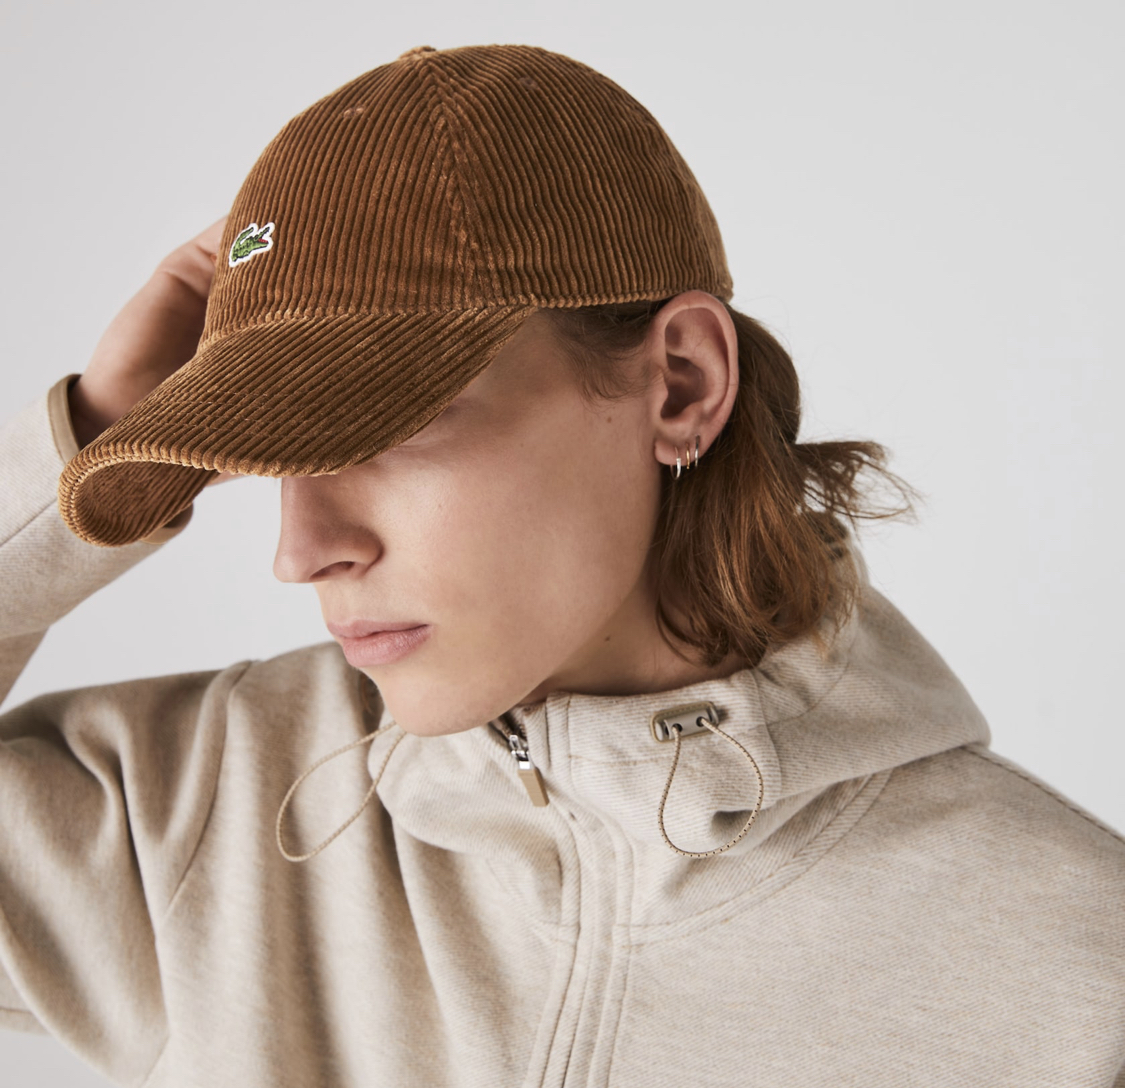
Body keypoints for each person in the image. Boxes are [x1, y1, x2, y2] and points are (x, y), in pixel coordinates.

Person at [2, 41, 1123, 1088]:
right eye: (272, 454)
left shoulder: (1074, 973)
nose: (301, 551)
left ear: (680, 381)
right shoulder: (215, 808)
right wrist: (81, 445)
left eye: (387, 426)